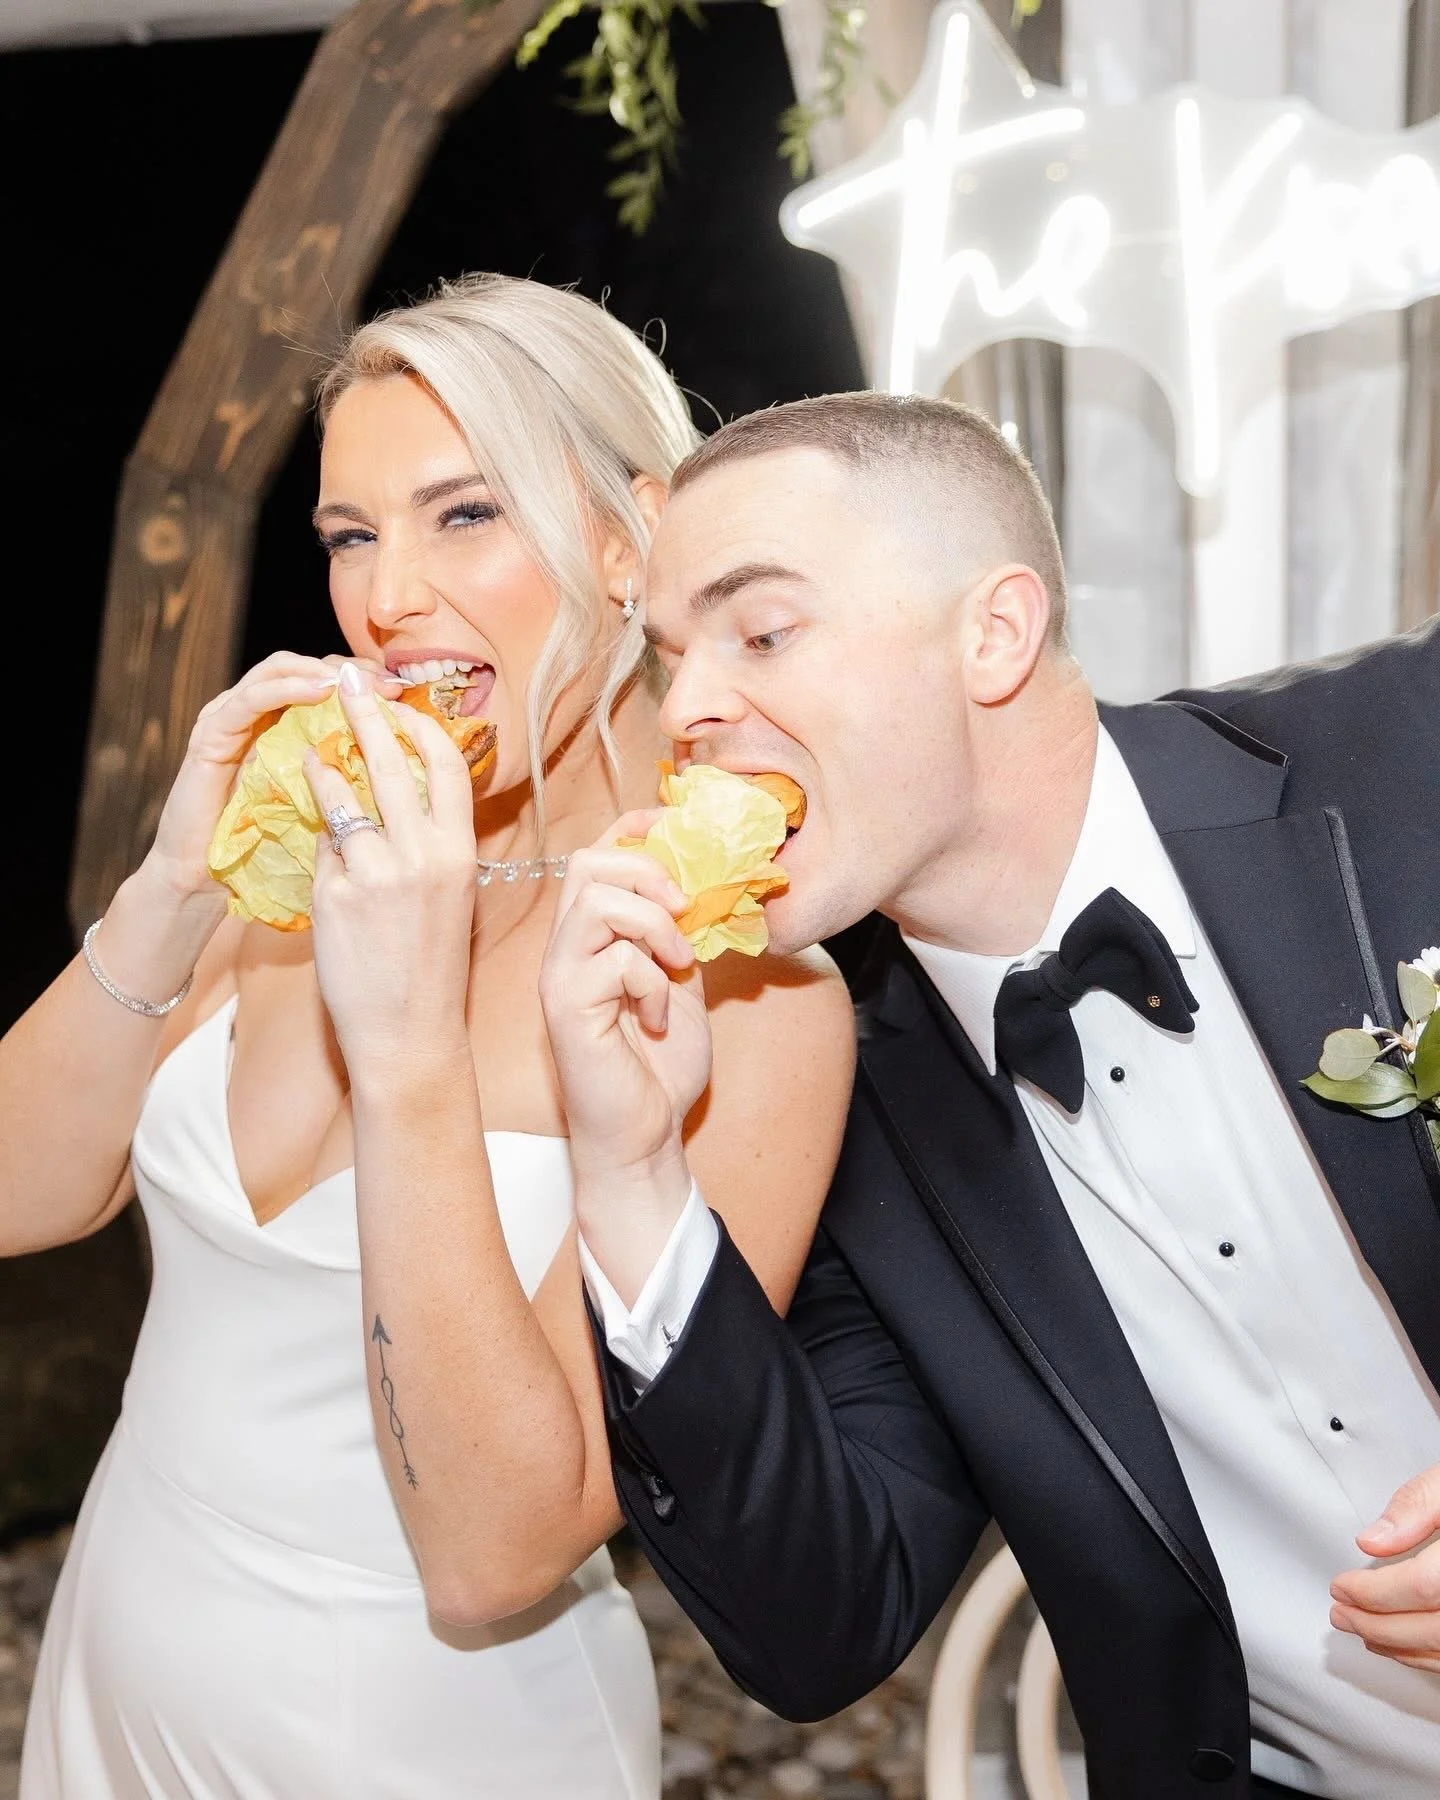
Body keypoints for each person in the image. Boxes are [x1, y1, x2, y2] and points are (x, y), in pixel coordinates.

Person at [9, 276, 854, 1799]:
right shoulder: (302, 851)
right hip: (119, 1652)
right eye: (349, 534)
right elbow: (22, 1196)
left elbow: (498, 1551)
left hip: (420, 1739)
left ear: (628, 539)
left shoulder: (740, 988)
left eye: (463, 515)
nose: (385, 596)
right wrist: (167, 889)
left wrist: (404, 1050)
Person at [541, 390, 1440, 1800]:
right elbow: (816, 1627)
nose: (689, 709)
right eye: (670, 658)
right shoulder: (861, 1125)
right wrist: (632, 1168)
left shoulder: (1409, 757)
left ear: (995, 633)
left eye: (761, 631)